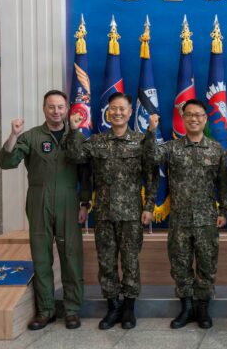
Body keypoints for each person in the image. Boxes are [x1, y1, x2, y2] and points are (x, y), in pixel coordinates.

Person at [0, 90, 90, 330]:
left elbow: (85, 173)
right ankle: (46, 310)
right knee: (41, 257)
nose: (56, 111)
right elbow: (7, 162)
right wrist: (13, 135)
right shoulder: (31, 136)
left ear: (67, 109)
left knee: (71, 256)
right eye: (51, 107)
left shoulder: (76, 136)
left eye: (60, 107)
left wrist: (85, 203)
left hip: (69, 201)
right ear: (44, 109)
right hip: (39, 200)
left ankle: (72, 310)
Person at [66, 92, 158, 330]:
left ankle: (129, 308)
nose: (117, 113)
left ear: (130, 112)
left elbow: (151, 175)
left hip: (131, 215)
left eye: (122, 109)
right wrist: (74, 130)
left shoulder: (141, 141)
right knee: (106, 263)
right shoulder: (97, 141)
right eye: (113, 109)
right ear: (108, 112)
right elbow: (76, 157)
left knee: (130, 262)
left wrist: (149, 206)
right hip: (104, 214)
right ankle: (113, 306)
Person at [144, 99, 227, 330]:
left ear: (205, 119)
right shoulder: (172, 148)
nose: (194, 118)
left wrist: (224, 210)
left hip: (207, 219)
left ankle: (202, 309)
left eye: (198, 115)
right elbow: (151, 157)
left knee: (206, 266)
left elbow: (224, 183)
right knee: (180, 266)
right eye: (189, 114)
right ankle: (186, 308)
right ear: (182, 118)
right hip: (179, 220)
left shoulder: (216, 149)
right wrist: (151, 132)